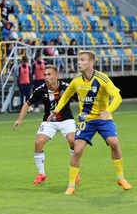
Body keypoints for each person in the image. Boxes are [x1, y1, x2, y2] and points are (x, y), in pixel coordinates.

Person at [51, 50, 131, 194]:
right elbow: (66, 96)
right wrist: (57, 109)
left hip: (103, 118)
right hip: (85, 120)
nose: (79, 62)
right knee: (77, 150)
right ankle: (71, 185)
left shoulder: (102, 79)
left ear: (91, 63)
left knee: (114, 142)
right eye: (78, 60)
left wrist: (108, 111)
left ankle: (121, 177)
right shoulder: (76, 81)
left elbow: (117, 97)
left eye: (82, 60)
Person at [13, 64, 75, 184]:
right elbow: (27, 104)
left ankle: (74, 172)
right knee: (38, 142)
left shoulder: (67, 87)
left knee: (73, 141)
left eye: (49, 74)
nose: (46, 77)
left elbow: (82, 96)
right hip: (49, 121)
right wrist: (19, 119)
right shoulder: (40, 90)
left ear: (56, 76)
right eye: (45, 75)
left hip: (66, 120)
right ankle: (41, 173)